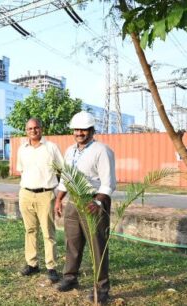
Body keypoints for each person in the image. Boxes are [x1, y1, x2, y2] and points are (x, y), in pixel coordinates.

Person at [54, 111, 116, 304]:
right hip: (74, 200)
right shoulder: (70, 150)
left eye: (83, 129)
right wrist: (59, 199)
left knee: (97, 246)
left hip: (94, 202)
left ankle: (102, 288)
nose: (79, 133)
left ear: (91, 130)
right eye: (76, 129)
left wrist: (96, 202)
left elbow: (108, 182)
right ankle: (70, 278)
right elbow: (66, 178)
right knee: (72, 242)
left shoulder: (101, 150)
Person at [17, 118, 63, 283]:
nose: (33, 131)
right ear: (26, 130)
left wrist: (59, 196)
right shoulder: (22, 149)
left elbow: (61, 170)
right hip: (26, 194)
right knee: (30, 230)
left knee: (48, 232)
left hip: (46, 194)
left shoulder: (51, 148)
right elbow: (22, 170)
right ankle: (32, 263)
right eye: (30, 128)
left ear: (41, 129)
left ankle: (51, 267)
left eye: (36, 128)